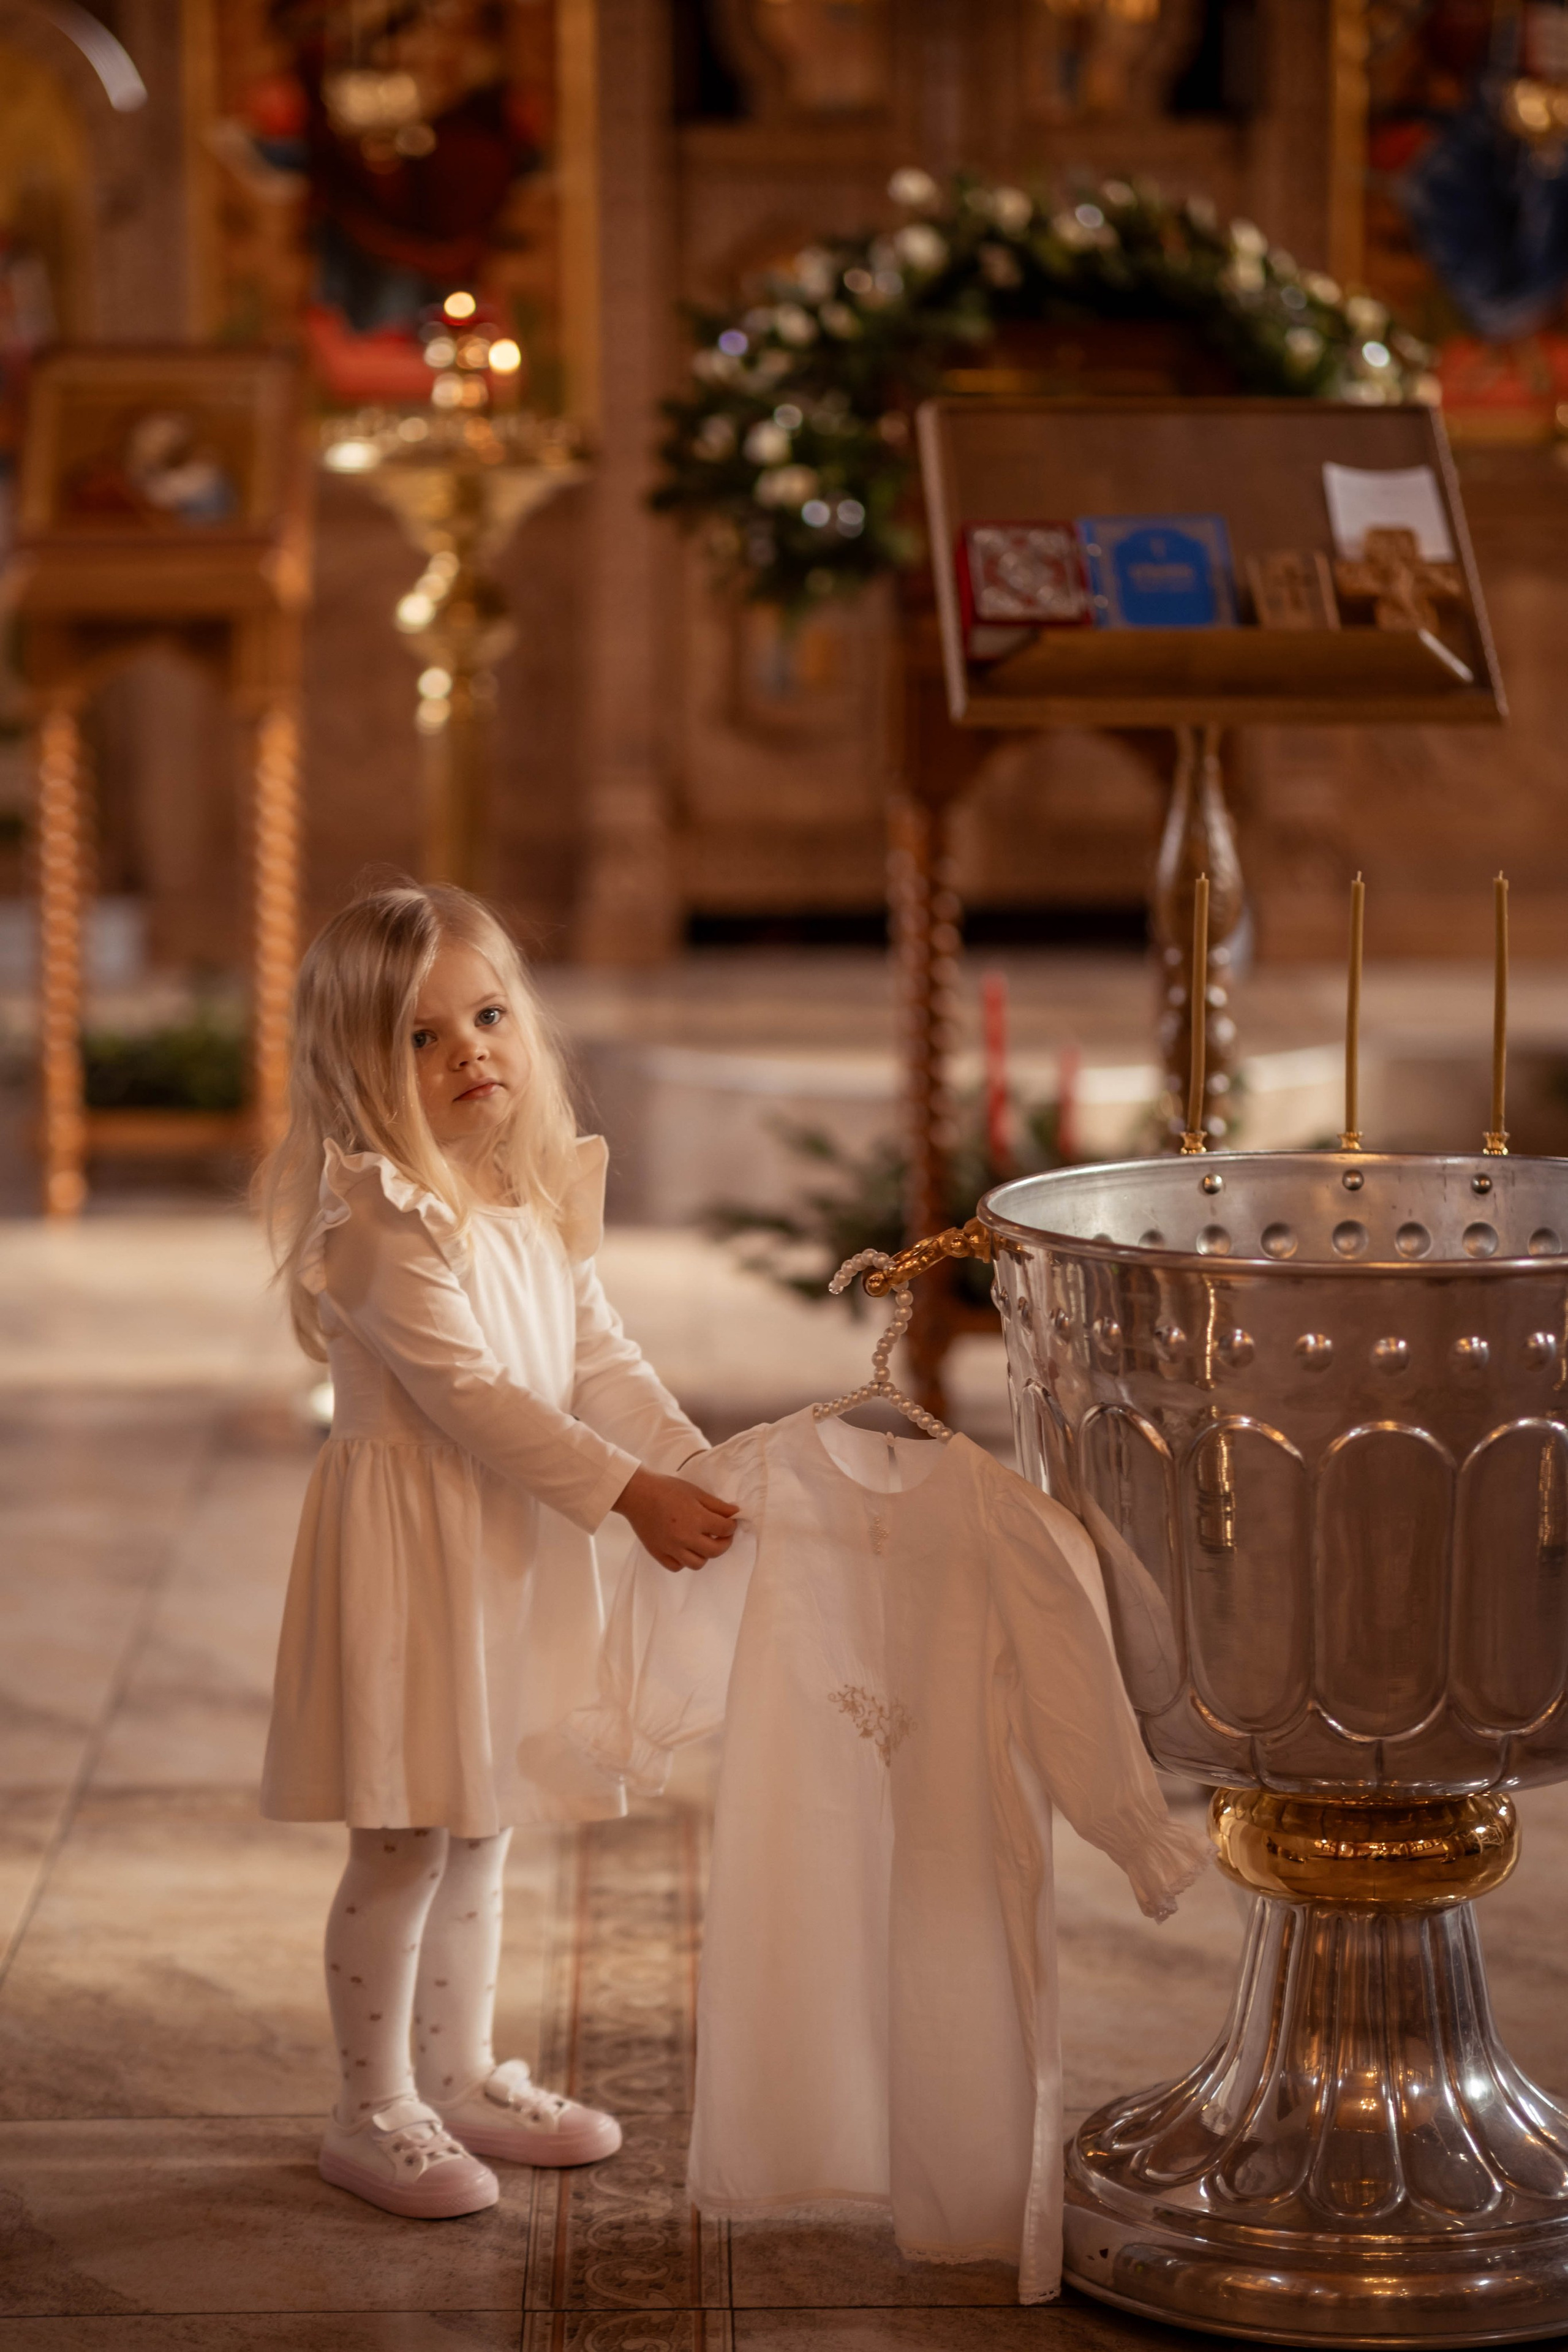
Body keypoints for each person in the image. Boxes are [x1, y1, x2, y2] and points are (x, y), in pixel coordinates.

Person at [257, 882, 737, 2219]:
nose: (469, 1050)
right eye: (419, 1037)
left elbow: (598, 1360)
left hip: (509, 1548)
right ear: (359, 1067)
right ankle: (371, 2110)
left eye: (485, 1015)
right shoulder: (379, 1218)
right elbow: (471, 1397)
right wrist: (626, 1494)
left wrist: (690, 1462)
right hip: (413, 1563)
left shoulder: (525, 1193)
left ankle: (460, 2073)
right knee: (406, 1835)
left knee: (487, 1827)